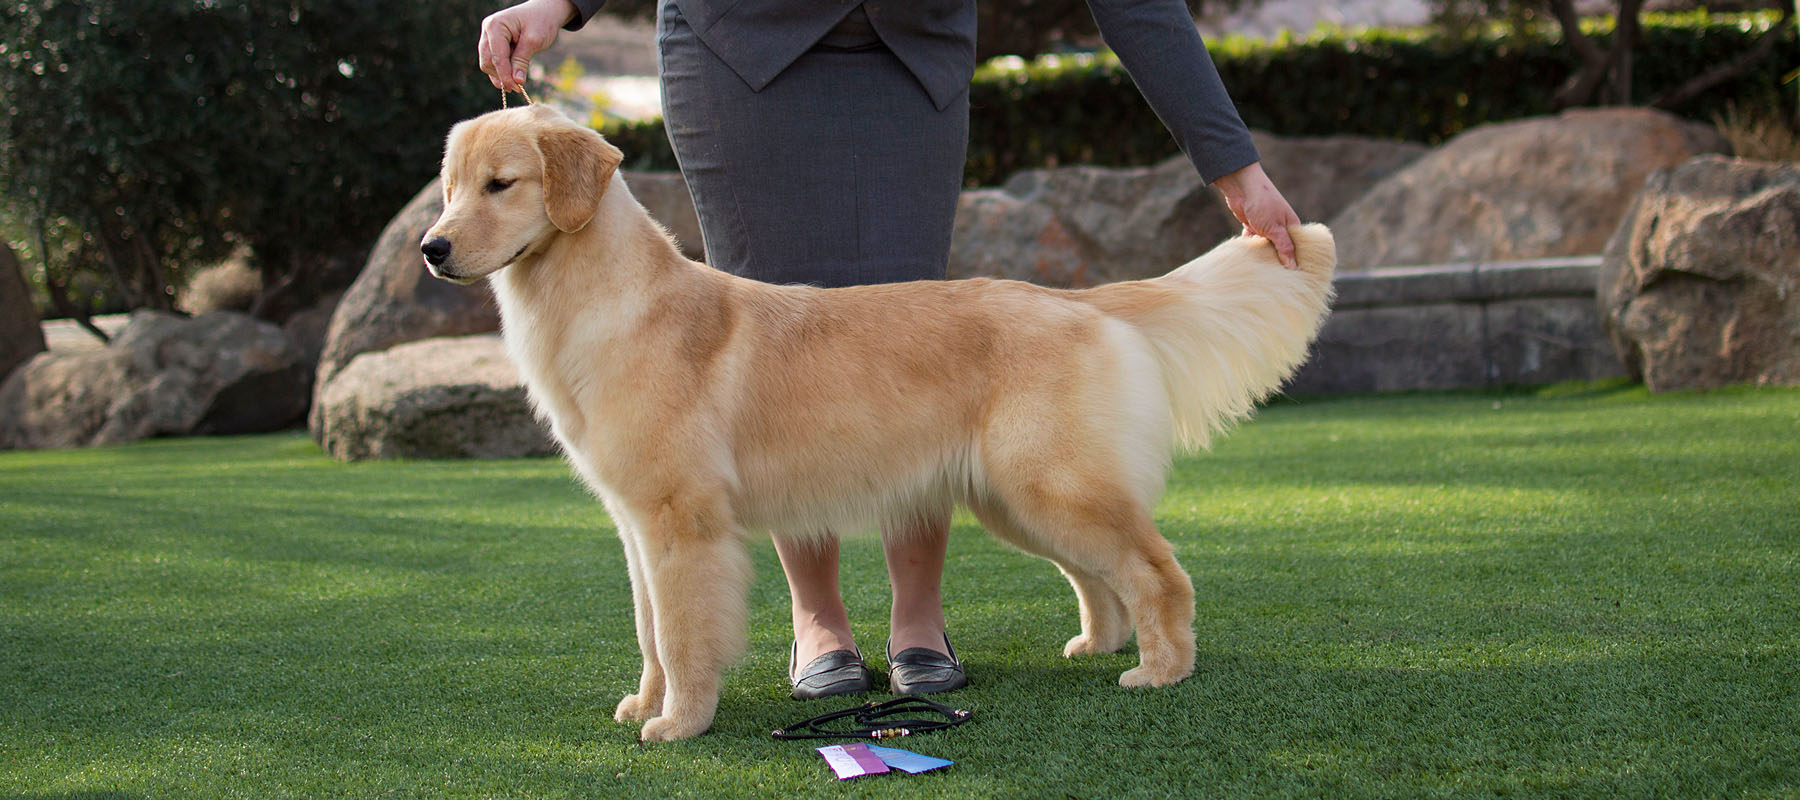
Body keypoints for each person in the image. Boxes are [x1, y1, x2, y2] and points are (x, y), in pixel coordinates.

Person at [477, 0, 1301, 701]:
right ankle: (818, 623)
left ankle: (922, 619)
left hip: (911, 44)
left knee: (921, 355)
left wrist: (1235, 170)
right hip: (740, 44)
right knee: (769, 374)